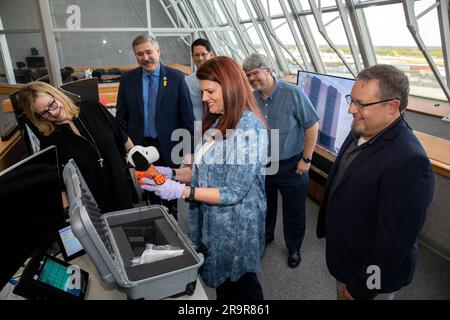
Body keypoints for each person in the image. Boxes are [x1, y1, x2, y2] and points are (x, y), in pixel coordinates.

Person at [139, 56, 268, 300]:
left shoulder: (250, 130)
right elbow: (202, 171)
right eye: (202, 91)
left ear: (231, 87)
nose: (204, 98)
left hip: (236, 229)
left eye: (210, 91)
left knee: (241, 289)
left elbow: (233, 191)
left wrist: (182, 192)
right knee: (224, 288)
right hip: (214, 222)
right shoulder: (219, 121)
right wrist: (171, 174)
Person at [316, 64, 435, 300]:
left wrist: (363, 287)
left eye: (361, 104)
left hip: (368, 278)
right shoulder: (365, 126)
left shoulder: (409, 162)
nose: (351, 109)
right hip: (346, 256)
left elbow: (394, 243)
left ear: (392, 106)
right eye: (352, 99)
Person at [243, 53, 319, 268]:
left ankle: (294, 247)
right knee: (264, 205)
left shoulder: (293, 93)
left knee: (294, 209)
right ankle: (266, 237)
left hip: (292, 164)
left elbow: (312, 125)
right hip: (263, 164)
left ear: (268, 70)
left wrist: (306, 159)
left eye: (255, 73)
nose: (251, 78)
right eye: (248, 75)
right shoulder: (252, 98)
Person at [18, 81, 137, 214]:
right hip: (93, 208)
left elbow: (124, 139)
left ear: (56, 95)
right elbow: (60, 185)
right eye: (44, 113)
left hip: (122, 189)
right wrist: (68, 214)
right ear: (38, 117)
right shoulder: (48, 140)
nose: (53, 112)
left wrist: (142, 165)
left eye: (51, 104)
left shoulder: (93, 107)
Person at [116, 34, 194, 218]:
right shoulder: (128, 79)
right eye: (139, 54)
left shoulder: (176, 78)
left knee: (169, 192)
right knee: (148, 190)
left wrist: (188, 151)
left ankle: (171, 224)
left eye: (149, 52)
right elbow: (121, 118)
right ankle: (154, 223)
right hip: (140, 147)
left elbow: (187, 118)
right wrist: (127, 147)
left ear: (158, 51)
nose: (145, 58)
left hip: (169, 146)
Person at [185, 38, 214, 122]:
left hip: (220, 127)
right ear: (192, 57)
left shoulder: (222, 79)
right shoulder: (187, 82)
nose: (200, 58)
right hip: (197, 128)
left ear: (210, 55)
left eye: (203, 54)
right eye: (197, 55)